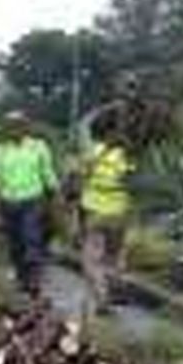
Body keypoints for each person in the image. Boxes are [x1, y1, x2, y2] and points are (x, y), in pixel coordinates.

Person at [0, 112, 58, 296]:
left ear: (26, 128)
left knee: (31, 237)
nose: (15, 130)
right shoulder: (0, 150)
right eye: (11, 126)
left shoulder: (38, 147)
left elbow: (47, 171)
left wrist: (53, 190)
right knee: (15, 242)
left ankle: (33, 278)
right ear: (6, 129)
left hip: (32, 199)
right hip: (8, 201)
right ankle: (21, 277)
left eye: (19, 125)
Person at [80, 110, 134, 314]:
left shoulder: (93, 153)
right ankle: (115, 289)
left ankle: (102, 297)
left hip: (95, 211)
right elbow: (132, 182)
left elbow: (82, 177)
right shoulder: (127, 155)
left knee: (91, 259)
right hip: (120, 212)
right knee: (115, 255)